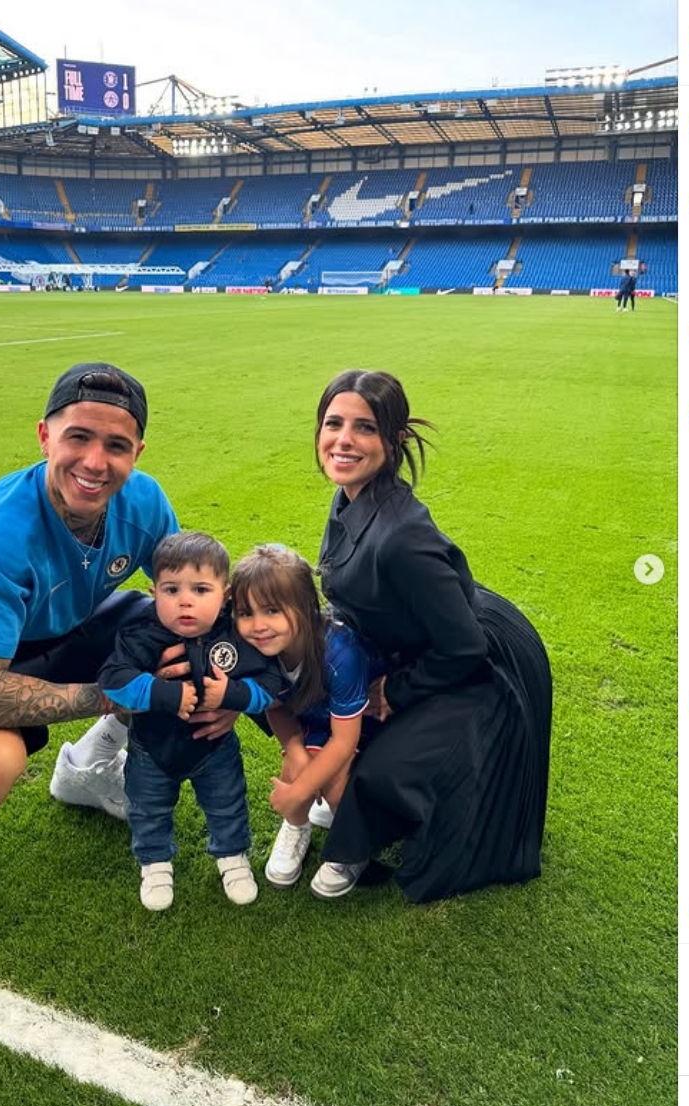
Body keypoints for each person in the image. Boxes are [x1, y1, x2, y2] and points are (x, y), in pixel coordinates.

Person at [0, 363, 212, 920]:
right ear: (45, 436)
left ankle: (86, 768)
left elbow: (189, 598)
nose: (95, 462)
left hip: (65, 630)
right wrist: (123, 692)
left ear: (137, 452)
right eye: (78, 437)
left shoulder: (144, 501)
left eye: (116, 445)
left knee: (180, 645)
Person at [308, 369, 552, 901]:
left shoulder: (403, 537)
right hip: (427, 642)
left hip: (482, 666)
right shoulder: (350, 494)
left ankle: (356, 839)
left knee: (382, 769)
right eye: (333, 423)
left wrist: (394, 691)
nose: (343, 440)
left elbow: (466, 647)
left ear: (393, 441)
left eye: (365, 428)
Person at [98, 532, 288, 910]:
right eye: (171, 590)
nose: (185, 601)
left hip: (215, 746)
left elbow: (272, 683)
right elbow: (113, 679)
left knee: (227, 804)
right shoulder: (142, 634)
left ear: (225, 595)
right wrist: (166, 694)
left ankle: (232, 858)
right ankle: (154, 864)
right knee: (148, 808)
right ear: (153, 592)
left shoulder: (235, 635)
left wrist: (233, 695)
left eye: (201, 589)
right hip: (152, 749)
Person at [225, 544, 370, 889]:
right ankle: (296, 826)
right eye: (245, 613)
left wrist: (299, 790)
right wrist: (296, 751)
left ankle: (353, 845)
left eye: (272, 610)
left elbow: (345, 741)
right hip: (314, 725)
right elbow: (276, 708)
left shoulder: (340, 652)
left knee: (334, 785)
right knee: (294, 769)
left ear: (306, 606)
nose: (258, 626)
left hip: (363, 728)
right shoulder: (256, 652)